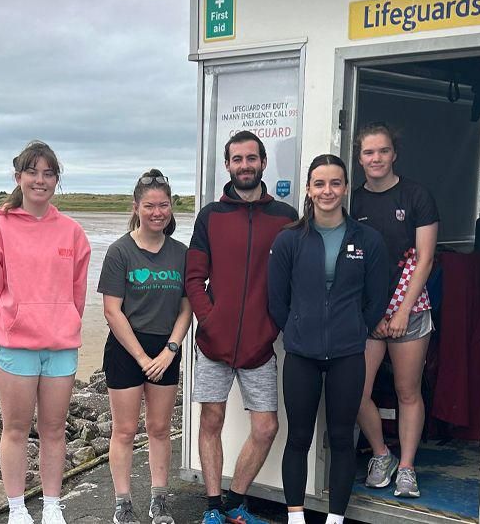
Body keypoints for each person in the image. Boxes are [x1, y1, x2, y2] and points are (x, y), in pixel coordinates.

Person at [268, 154, 388, 524]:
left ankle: (335, 519)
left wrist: (354, 327)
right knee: (298, 437)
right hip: (301, 353)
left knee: (341, 437)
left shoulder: (367, 239)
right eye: (319, 183)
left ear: (346, 188)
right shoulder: (289, 239)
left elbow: (377, 298)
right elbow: (276, 301)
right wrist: (299, 328)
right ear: (308, 189)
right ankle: (295, 516)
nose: (327, 191)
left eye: (335, 183)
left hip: (348, 353)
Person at [0, 141, 91, 524]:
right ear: (18, 177)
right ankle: (16, 507)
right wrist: (12, 321)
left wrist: (60, 321)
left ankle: (53, 504)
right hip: (15, 347)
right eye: (32, 172)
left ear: (56, 179)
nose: (40, 180)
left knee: (54, 428)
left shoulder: (72, 232)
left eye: (48, 173)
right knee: (15, 428)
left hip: (60, 347)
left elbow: (77, 291)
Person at [186, 130, 298, 524]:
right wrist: (210, 319)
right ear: (228, 165)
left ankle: (237, 502)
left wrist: (273, 324)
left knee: (266, 427)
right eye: (237, 159)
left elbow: (293, 279)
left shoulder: (285, 218)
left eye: (252, 158)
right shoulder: (210, 216)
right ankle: (214, 508)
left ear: (263, 163)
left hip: (260, 346)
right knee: (210, 420)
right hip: (213, 345)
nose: (245, 165)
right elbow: (194, 277)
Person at [98, 170, 192, 524]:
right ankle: (123, 502)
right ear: (135, 207)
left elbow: (187, 306)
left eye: (163, 205)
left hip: (165, 347)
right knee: (124, 430)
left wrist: (170, 349)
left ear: (171, 207)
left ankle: (159, 500)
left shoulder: (181, 253)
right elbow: (111, 310)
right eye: (149, 205)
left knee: (159, 428)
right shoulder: (120, 251)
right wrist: (141, 357)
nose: (157, 212)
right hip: (126, 348)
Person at [352, 122, 439, 498]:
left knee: (407, 391)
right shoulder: (353, 202)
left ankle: (406, 467)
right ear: (359, 158)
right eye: (369, 152)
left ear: (394, 154)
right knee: (355, 390)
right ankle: (381, 453)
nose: (376, 158)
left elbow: (425, 259)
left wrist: (401, 312)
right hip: (367, 312)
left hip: (410, 309)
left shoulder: (416, 195)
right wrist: (375, 315)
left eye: (383, 151)